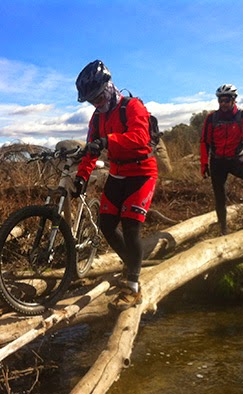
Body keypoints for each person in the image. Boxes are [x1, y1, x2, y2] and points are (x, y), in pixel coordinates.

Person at [73, 59, 158, 311]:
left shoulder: (132, 106)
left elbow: (141, 138)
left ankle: (133, 288)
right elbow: (90, 150)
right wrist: (81, 176)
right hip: (118, 174)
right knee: (107, 226)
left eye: (98, 97)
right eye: (92, 100)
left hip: (142, 173)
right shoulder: (96, 119)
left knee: (131, 227)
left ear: (109, 86)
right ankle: (132, 265)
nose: (96, 103)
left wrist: (107, 142)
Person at [200, 84, 243, 235]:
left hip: (235, 159)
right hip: (217, 161)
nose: (223, 104)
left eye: (226, 100)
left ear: (233, 100)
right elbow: (204, 142)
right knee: (219, 194)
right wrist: (204, 164)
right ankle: (223, 227)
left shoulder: (242, 116)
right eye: (221, 100)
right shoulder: (211, 118)